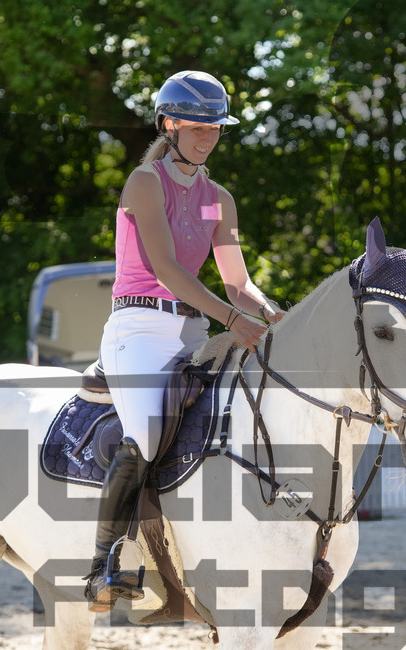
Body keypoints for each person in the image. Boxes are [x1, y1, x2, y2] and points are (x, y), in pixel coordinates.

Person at [83, 70, 285, 612]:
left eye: (215, 127)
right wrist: (230, 317)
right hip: (140, 329)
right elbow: (169, 269)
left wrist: (273, 315)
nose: (206, 136)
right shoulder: (144, 182)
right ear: (168, 125)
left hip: (195, 329)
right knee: (147, 435)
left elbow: (239, 282)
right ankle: (103, 564)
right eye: (195, 126)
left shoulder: (219, 199)